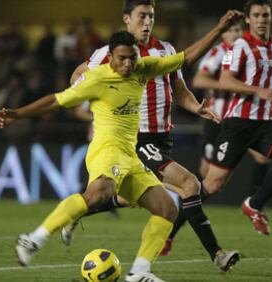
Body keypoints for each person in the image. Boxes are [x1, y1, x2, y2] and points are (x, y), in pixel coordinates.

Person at [0, 11, 241, 280]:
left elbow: (186, 58)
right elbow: (56, 100)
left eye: (131, 58)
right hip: (106, 149)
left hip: (131, 154)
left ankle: (139, 272)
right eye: (121, 58)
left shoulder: (144, 68)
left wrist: (219, 29)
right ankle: (33, 240)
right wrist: (17, 114)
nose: (127, 64)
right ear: (110, 57)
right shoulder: (98, 78)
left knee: (167, 209)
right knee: (100, 192)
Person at [63, 0, 240, 271]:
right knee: (190, 185)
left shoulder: (165, 49)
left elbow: (178, 88)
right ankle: (217, 253)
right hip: (138, 139)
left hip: (161, 139)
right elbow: (77, 75)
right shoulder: (108, 54)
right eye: (142, 16)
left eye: (151, 17)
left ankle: (77, 211)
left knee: (127, 198)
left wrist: (196, 107)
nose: (147, 22)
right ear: (127, 19)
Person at [163, 19, 272, 255]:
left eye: (237, 30)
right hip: (217, 123)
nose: (235, 34)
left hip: (242, 123)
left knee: (262, 160)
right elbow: (199, 80)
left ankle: (255, 206)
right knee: (205, 184)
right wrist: (229, 85)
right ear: (223, 35)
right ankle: (172, 232)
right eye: (231, 30)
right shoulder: (219, 53)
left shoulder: (246, 53)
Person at [201, 0, 272, 236]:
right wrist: (262, 92)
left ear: (271, 18)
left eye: (265, 15)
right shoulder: (240, 45)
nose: (261, 20)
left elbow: (266, 81)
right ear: (248, 19)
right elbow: (226, 81)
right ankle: (171, 228)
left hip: (263, 122)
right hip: (238, 123)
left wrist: (270, 102)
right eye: (256, 15)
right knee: (212, 185)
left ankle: (254, 204)